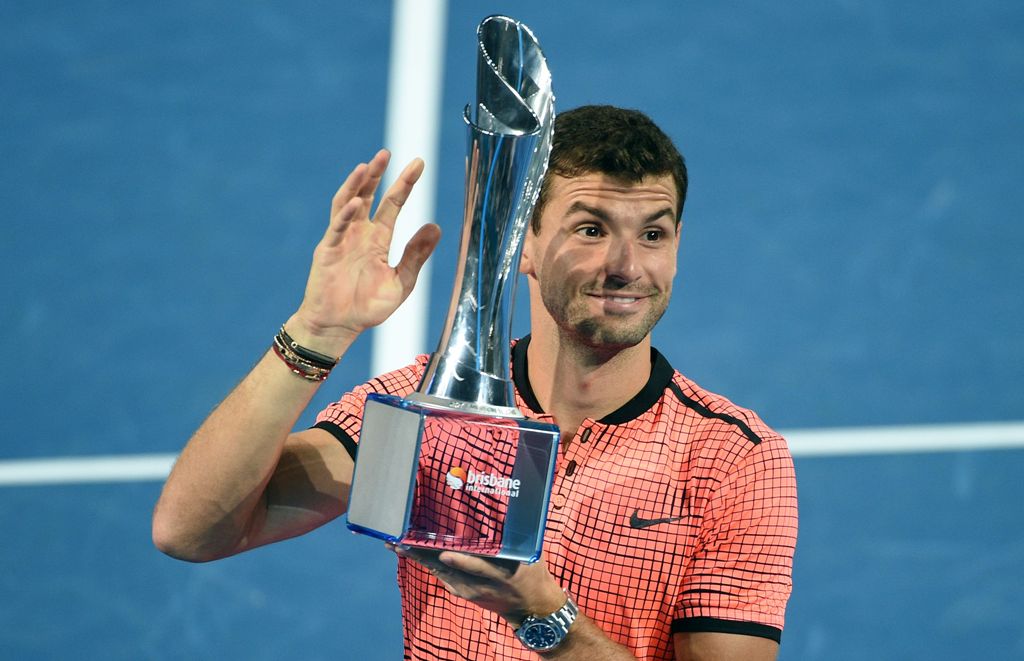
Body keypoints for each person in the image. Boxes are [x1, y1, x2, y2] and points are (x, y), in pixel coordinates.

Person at [153, 105, 798, 660]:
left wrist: (545, 618)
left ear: (678, 244)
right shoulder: (428, 408)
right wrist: (317, 331)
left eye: (652, 233)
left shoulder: (734, 461)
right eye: (591, 229)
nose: (627, 266)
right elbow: (193, 531)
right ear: (524, 243)